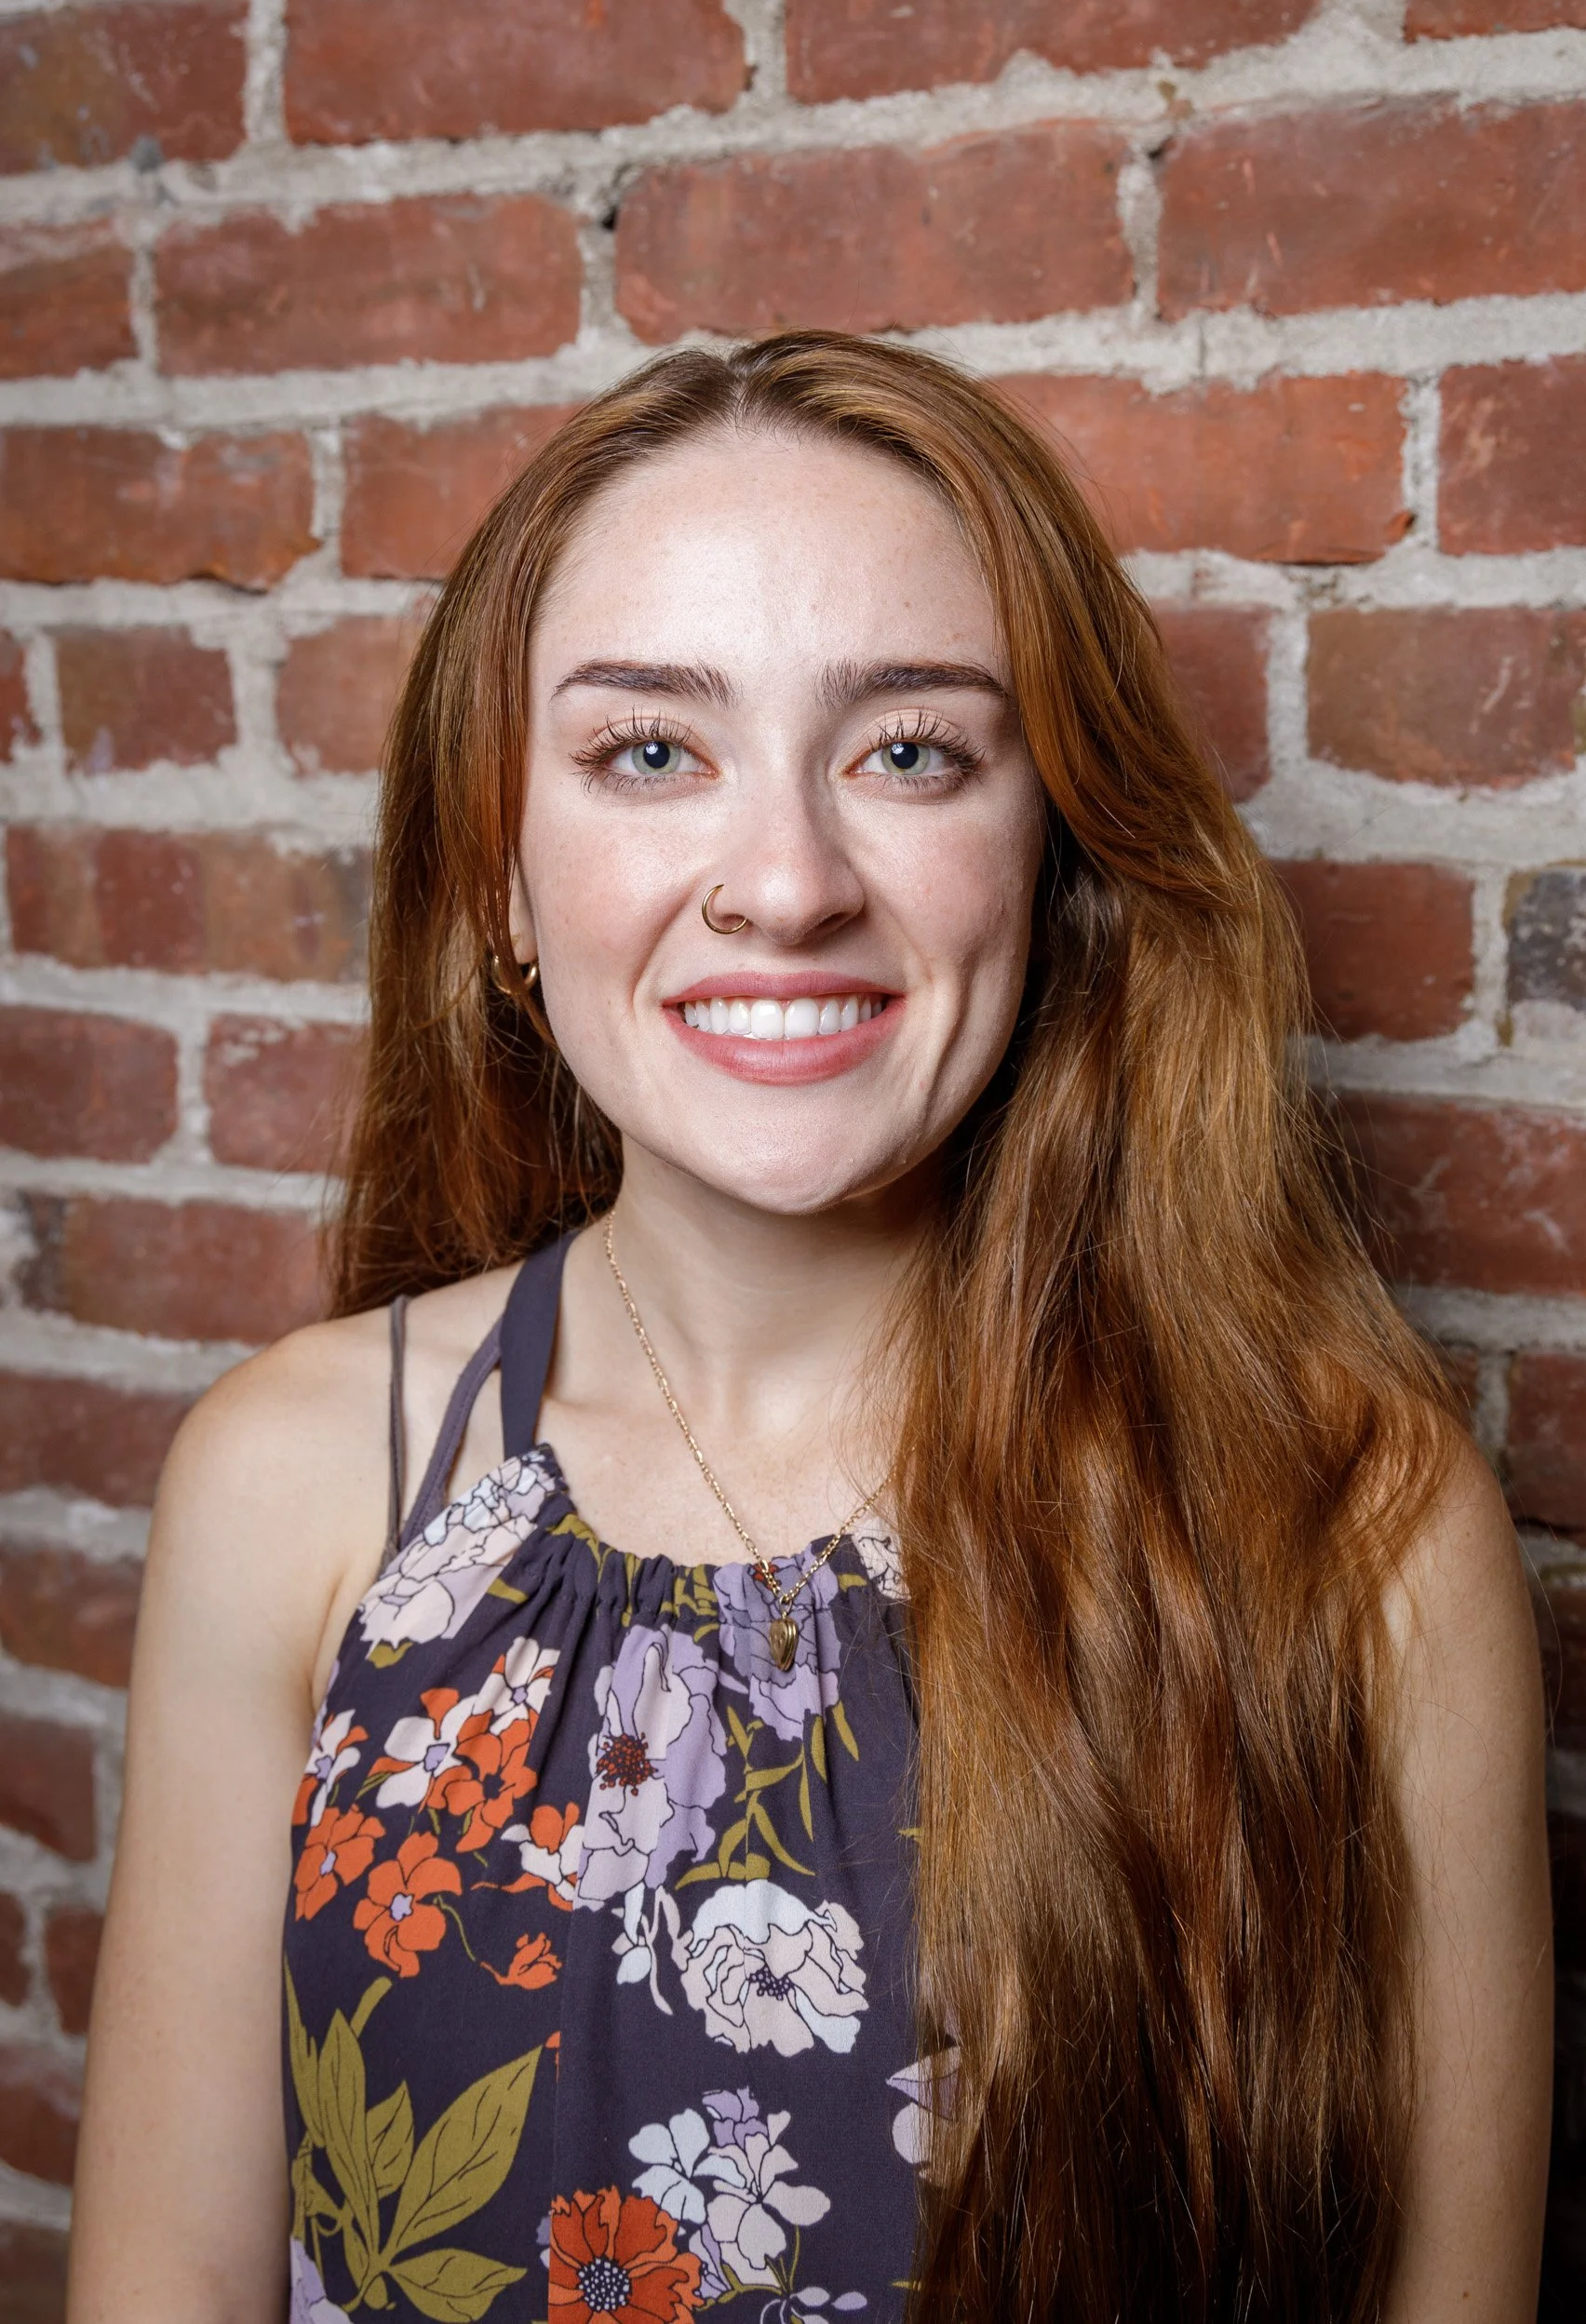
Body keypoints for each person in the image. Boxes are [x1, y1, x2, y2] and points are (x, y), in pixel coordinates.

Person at [68, 333, 1551, 2324]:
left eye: (910, 750)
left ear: (1059, 848)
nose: (784, 883)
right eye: (650, 753)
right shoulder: (295, 1480)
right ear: (502, 872)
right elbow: (165, 2282)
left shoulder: (1354, 1520)